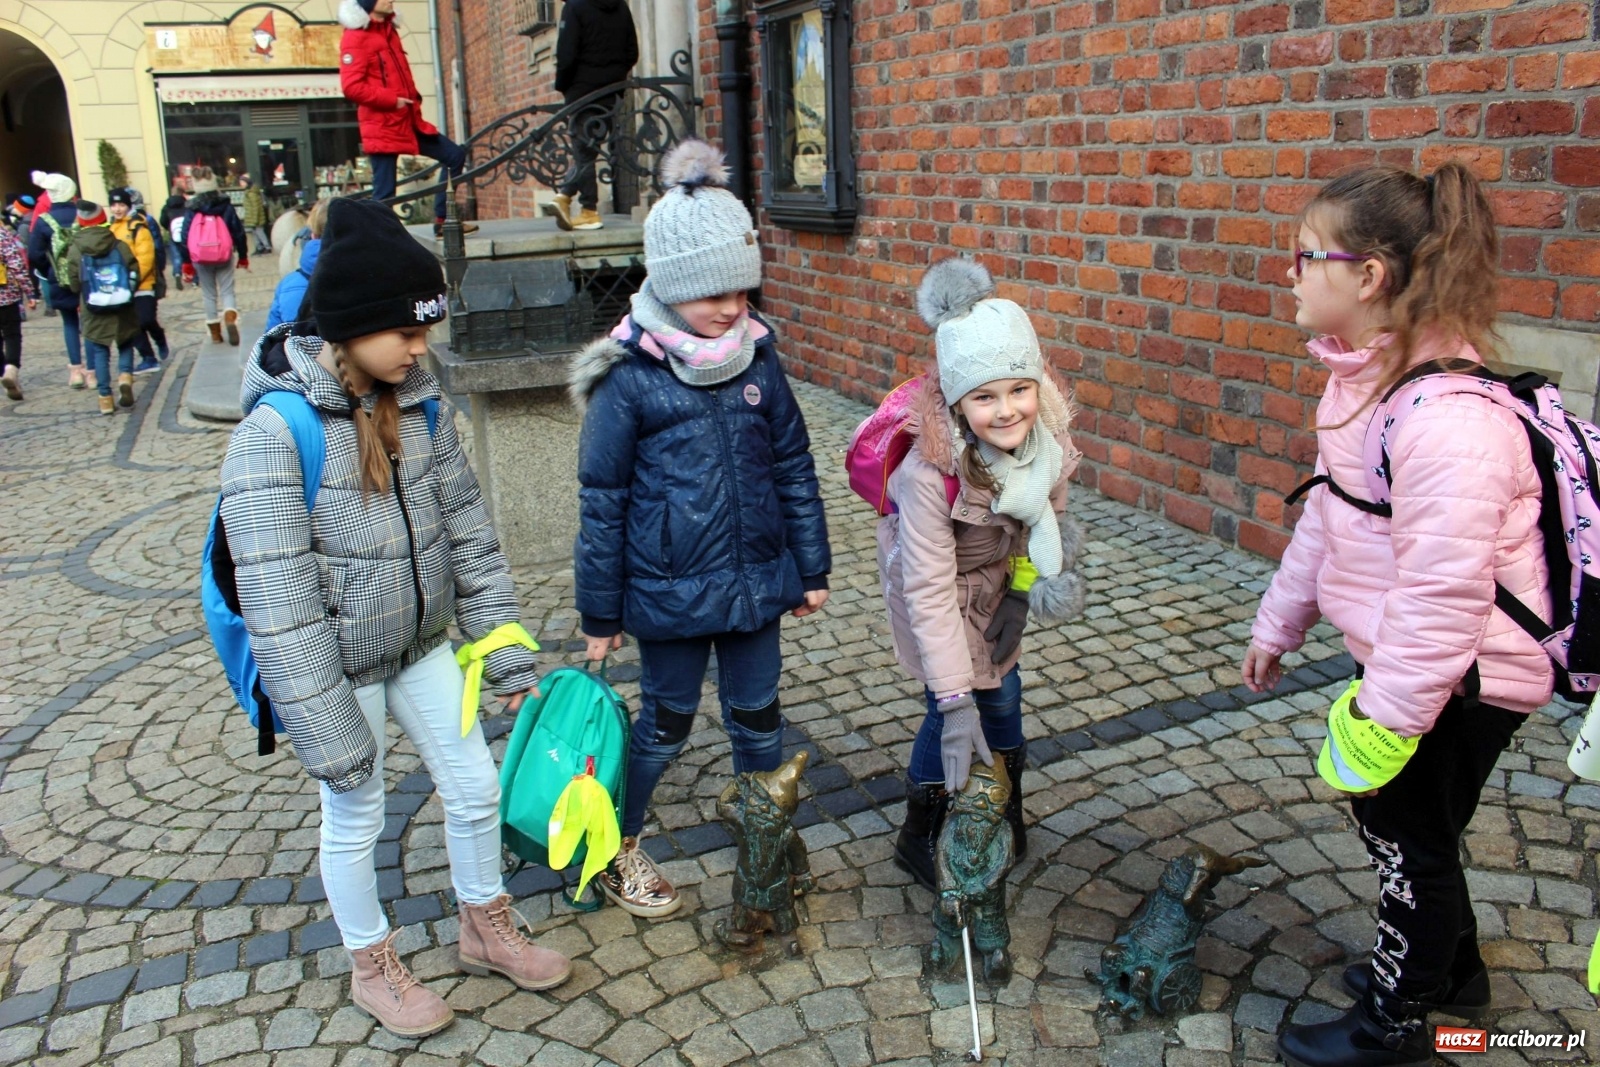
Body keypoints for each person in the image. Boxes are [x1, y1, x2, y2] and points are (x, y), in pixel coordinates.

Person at [220, 197, 572, 1037]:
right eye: (407, 332)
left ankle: (484, 924)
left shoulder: (420, 405)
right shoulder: (275, 433)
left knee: (477, 785)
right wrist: (330, 733)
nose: (423, 347)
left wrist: (508, 660)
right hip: (338, 667)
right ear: (351, 327)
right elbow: (278, 604)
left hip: (419, 646)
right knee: (356, 809)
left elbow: (471, 541)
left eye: (427, 329)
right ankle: (369, 961)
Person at [1243, 162, 1553, 1067]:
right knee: (1420, 828)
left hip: (1467, 675)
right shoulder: (1360, 387)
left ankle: (1399, 1023)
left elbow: (1442, 599)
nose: (1290, 274)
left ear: (1368, 276)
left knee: (1402, 835)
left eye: (1304, 257)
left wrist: (1384, 721)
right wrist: (1279, 622)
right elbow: (1332, 524)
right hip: (1413, 661)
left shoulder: (1446, 423)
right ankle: (1456, 977)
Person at [569, 140, 831, 918]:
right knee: (663, 726)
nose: (730, 307)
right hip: (668, 593)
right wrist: (599, 614)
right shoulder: (629, 379)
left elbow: (792, 463)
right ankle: (613, 843)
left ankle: (767, 840)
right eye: (711, 292)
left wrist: (809, 568)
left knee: (759, 722)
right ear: (671, 285)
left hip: (754, 587)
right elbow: (602, 501)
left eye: (741, 289)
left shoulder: (757, 358)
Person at [878, 258, 1087, 890]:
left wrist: (1023, 595)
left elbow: (1042, 522)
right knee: (956, 714)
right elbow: (929, 590)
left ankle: (1003, 806)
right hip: (935, 597)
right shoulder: (925, 477)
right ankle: (921, 830)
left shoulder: (1046, 446)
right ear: (957, 401)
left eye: (1018, 389)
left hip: (996, 588)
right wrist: (952, 696)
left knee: (1007, 700)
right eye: (984, 397)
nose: (1006, 410)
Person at [337, 0, 475, 237]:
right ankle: (381, 246)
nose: (391, 0)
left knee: (454, 155)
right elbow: (351, 87)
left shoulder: (389, 31)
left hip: (408, 121)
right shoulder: (355, 37)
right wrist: (393, 100)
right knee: (384, 195)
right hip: (382, 126)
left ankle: (444, 220)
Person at [549, 0, 638, 232]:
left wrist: (563, 86)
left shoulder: (575, 7)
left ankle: (588, 210)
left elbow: (566, 54)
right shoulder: (620, 7)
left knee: (583, 150)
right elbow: (632, 52)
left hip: (582, 89)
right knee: (588, 147)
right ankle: (565, 196)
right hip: (611, 91)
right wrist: (615, 76)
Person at [61, 200, 141, 415]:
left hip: (93, 306)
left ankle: (105, 397)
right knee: (125, 342)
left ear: (81, 221)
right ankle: (125, 375)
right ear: (103, 219)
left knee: (99, 350)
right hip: (121, 302)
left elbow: (74, 282)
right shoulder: (117, 243)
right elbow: (134, 269)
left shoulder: (76, 249)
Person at [27, 174, 87, 383]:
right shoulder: (83, 215)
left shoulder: (45, 221)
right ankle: (94, 372)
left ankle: (76, 371)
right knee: (89, 321)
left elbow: (34, 254)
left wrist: (49, 269)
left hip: (59, 277)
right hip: (86, 275)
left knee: (69, 322)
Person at [178, 168, 249, 345]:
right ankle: (230, 317)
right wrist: (243, 255)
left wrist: (186, 261)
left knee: (209, 294)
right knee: (227, 290)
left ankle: (216, 334)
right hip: (224, 254)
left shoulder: (192, 208)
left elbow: (184, 236)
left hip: (200, 257)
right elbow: (238, 232)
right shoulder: (225, 206)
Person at [108, 188, 169, 374]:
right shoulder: (111, 228)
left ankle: (159, 337)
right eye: (114, 205)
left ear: (128, 205)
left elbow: (146, 257)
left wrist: (134, 278)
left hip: (142, 284)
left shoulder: (138, 227)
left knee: (146, 319)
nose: (118, 209)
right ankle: (148, 357)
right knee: (131, 326)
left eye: (121, 205)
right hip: (121, 286)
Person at [266, 198, 327, 331]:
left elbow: (272, 337)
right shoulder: (375, 276)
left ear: (312, 235)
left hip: (302, 346)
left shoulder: (292, 284)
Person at [0, 218, 38, 400]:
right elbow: (16, 265)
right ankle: (11, 370)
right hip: (6, 296)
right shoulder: (3, 236)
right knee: (12, 334)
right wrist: (30, 292)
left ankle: (4, 374)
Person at [159, 193, 187, 291]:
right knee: (191, 256)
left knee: (176, 257)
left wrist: (168, 227)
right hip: (186, 235)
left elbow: (163, 221)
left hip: (173, 234)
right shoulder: (186, 206)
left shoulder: (167, 208)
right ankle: (194, 279)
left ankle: (177, 273)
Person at [241, 174, 271, 254]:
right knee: (255, 233)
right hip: (253, 217)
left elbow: (256, 207)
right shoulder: (249, 193)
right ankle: (259, 247)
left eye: (242, 182)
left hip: (255, 218)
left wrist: (254, 219)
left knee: (259, 232)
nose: (241, 184)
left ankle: (266, 247)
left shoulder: (251, 194)